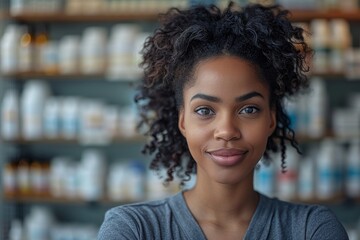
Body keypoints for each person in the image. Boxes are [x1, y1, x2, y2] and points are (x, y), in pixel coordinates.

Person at [98, 2, 349, 239]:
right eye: (205, 110)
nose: (227, 131)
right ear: (182, 121)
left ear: (271, 119)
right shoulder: (133, 229)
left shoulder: (311, 229)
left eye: (249, 109)